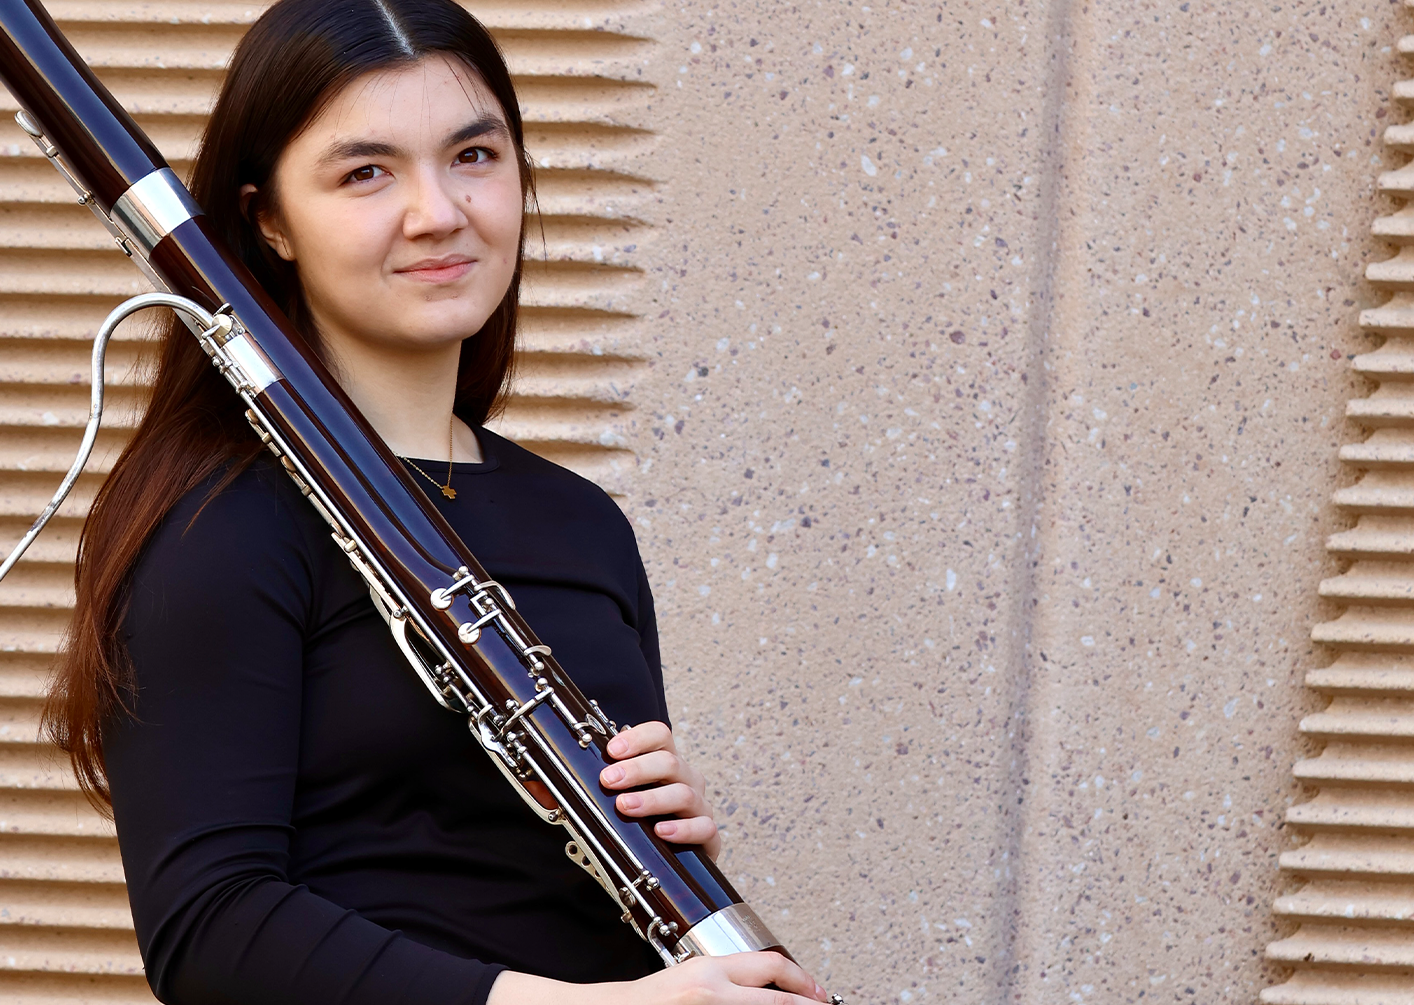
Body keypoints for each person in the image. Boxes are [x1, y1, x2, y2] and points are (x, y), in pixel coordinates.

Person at [43, 1, 827, 1002]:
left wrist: (665, 833)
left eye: (473, 155)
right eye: (367, 172)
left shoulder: (582, 524)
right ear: (268, 220)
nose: (439, 212)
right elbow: (210, 929)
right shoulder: (220, 523)